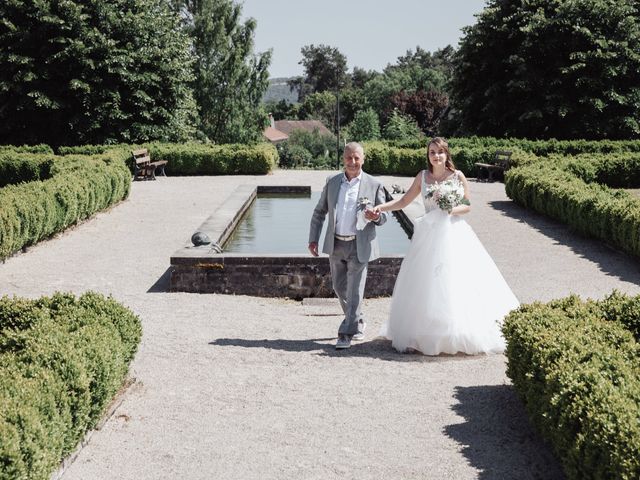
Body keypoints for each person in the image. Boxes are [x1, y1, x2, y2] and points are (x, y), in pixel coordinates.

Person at [371, 137, 519, 355]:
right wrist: (381, 208)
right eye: (432, 152)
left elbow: (467, 206)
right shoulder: (422, 177)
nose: (436, 156)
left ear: (446, 154)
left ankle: (457, 332)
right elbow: (404, 202)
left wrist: (451, 209)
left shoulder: (457, 176)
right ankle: (419, 335)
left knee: (456, 282)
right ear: (428, 155)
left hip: (454, 232)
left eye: (440, 152)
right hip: (428, 235)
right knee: (424, 283)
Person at [309, 142, 388, 350]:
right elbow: (319, 212)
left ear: (363, 159)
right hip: (336, 244)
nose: (352, 162)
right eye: (348, 158)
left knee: (354, 292)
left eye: (356, 158)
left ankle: (346, 333)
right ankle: (358, 319)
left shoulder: (374, 184)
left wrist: (376, 216)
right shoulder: (332, 182)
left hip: (359, 245)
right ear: (343, 159)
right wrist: (313, 238)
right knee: (338, 287)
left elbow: (385, 216)